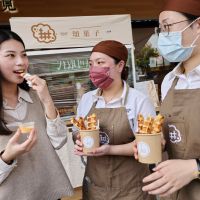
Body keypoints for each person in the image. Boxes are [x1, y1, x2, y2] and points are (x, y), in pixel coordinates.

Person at [74, 40, 156, 200]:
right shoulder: (87, 99)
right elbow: (78, 130)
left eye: (100, 62)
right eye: (91, 64)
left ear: (120, 66)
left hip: (132, 189)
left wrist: (109, 149)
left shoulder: (138, 101)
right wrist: (79, 140)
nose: (94, 69)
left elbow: (150, 144)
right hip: (95, 188)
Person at [0, 30, 73, 200]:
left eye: (24, 55)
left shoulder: (35, 96)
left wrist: (47, 99)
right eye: (10, 55)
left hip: (50, 192)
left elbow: (59, 140)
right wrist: (7, 157)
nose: (21, 62)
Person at [138, 0, 200, 199]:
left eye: (168, 26)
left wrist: (194, 167)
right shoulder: (169, 81)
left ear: (197, 26)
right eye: (161, 29)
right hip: (174, 193)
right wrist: (157, 143)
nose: (163, 35)